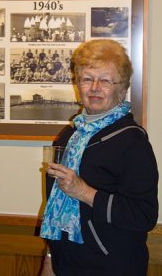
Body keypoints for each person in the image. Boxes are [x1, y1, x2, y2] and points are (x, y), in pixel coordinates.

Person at [40, 39, 158, 276]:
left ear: (122, 88)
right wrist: (51, 259)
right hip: (66, 265)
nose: (94, 87)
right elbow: (56, 205)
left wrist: (84, 192)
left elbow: (144, 216)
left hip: (111, 267)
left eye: (105, 80)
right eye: (87, 78)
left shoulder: (133, 142)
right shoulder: (69, 136)